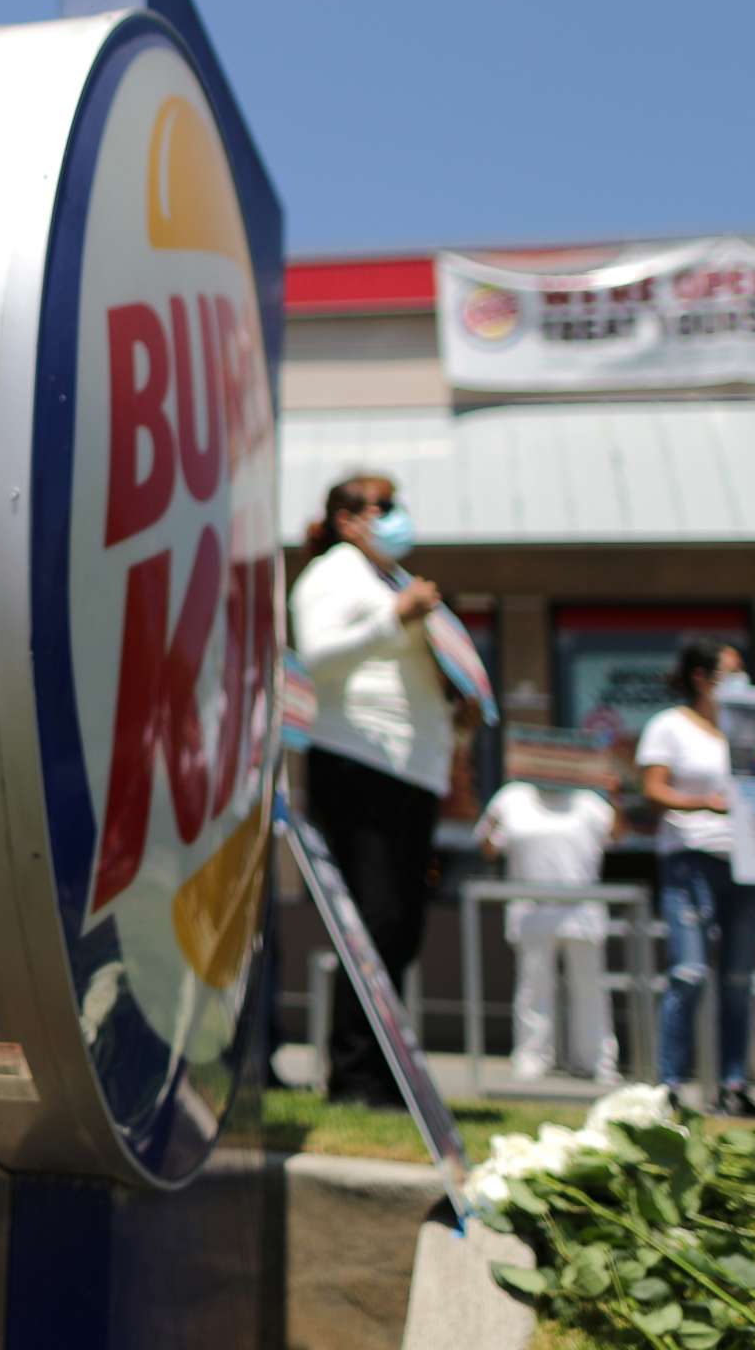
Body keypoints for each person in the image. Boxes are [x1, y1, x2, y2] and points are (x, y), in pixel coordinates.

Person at [290, 470, 458, 1106]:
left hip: (413, 771)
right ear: (345, 519)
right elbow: (316, 653)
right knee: (375, 922)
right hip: (360, 762)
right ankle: (355, 1075)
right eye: (383, 507)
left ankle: (384, 1068)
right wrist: (396, 618)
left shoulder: (388, 579)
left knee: (402, 928)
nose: (396, 517)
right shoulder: (332, 573)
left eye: (397, 505)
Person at [635, 640, 755, 1119]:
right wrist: (705, 804)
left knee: (738, 979)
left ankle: (732, 1086)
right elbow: (653, 789)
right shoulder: (668, 727)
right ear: (701, 676)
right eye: (732, 671)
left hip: (751, 864)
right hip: (690, 860)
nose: (742, 679)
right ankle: (669, 1087)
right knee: (689, 973)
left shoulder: (754, 730)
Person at [474, 779, 621, 1084]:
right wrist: (489, 822)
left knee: (590, 987)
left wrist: (616, 795)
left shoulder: (590, 801)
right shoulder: (511, 796)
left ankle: (597, 1060)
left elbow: (617, 837)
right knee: (534, 987)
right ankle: (532, 1057)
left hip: (583, 911)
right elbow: (489, 848)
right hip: (531, 911)